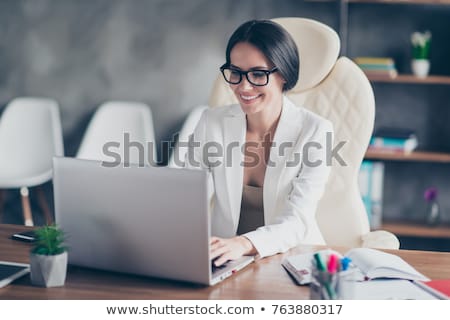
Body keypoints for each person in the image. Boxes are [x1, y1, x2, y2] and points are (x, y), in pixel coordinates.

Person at [186, 20, 333, 266]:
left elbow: (297, 221)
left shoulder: (315, 131)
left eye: (257, 74)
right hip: (225, 259)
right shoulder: (211, 122)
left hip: (292, 259)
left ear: (284, 74)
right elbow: (184, 193)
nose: (243, 86)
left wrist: (243, 244)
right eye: (235, 73)